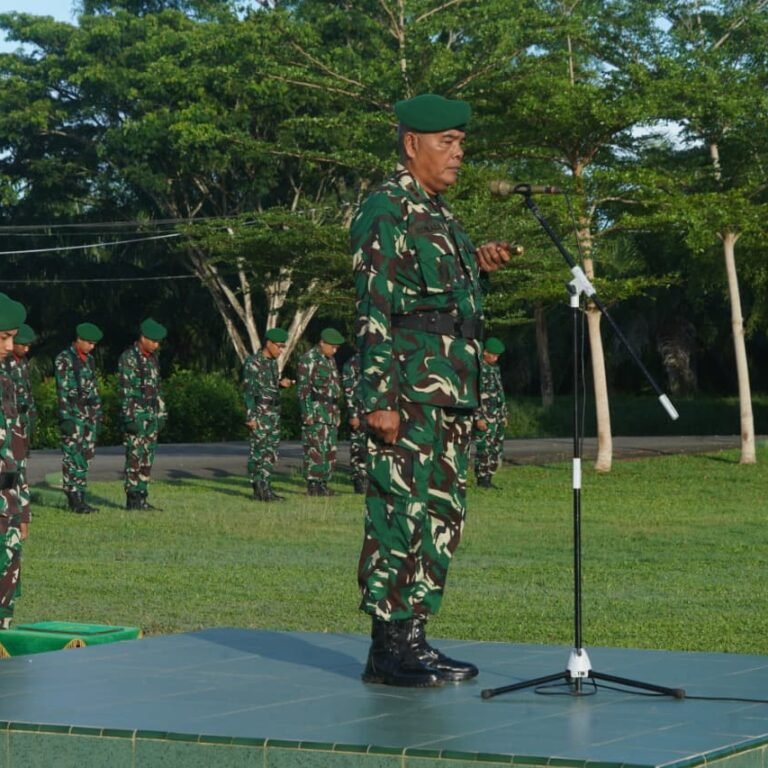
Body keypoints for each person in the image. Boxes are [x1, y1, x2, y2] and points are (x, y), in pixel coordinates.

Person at [352, 93, 512, 687]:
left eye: (462, 143)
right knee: (399, 512)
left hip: (449, 394)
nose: (459, 154)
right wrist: (378, 399)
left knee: (440, 516)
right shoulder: (385, 210)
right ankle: (387, 647)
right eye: (447, 142)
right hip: (408, 395)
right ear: (411, 144)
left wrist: (479, 264)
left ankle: (415, 637)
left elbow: (443, 306)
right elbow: (375, 309)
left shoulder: (443, 218)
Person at [0, 294, 29, 629]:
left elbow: (16, 450)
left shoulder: (6, 380)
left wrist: (22, 509)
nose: (10, 345)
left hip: (6, 505)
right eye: (4, 337)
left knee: (5, 597)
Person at [118, 318, 167, 511]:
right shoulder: (129, 358)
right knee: (134, 456)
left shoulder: (153, 359)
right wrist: (129, 417)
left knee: (148, 456)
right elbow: (125, 391)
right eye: (153, 341)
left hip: (151, 414)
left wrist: (162, 414)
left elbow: (158, 389)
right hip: (136, 414)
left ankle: (143, 494)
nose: (156, 345)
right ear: (143, 338)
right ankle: (132, 497)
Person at [55, 322, 103, 514]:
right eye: (89, 343)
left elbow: (93, 388)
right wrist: (65, 417)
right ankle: (73, 496)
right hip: (73, 414)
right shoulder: (65, 359)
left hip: (88, 415)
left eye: (94, 344)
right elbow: (62, 391)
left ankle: (81, 494)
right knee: (72, 455)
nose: (92, 347)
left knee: (85, 456)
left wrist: (97, 416)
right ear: (79, 340)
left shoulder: (89, 360)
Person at [241, 327, 294, 502]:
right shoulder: (253, 363)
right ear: (268, 343)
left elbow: (266, 388)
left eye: (282, 347)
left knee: (270, 452)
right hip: (260, 413)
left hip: (273, 413)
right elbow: (248, 392)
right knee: (259, 451)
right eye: (279, 346)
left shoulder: (272, 364)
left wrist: (280, 384)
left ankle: (266, 486)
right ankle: (259, 487)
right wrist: (251, 417)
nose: (281, 350)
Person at [296, 328, 343, 496]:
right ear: (322, 343)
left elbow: (334, 390)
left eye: (337, 348)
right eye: (333, 347)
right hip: (316, 411)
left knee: (329, 449)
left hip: (330, 412)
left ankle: (323, 483)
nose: (335, 350)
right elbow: (304, 389)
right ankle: (313, 485)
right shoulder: (309, 359)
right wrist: (307, 413)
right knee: (315, 449)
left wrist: (336, 414)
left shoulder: (330, 361)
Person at [6, 324, 38, 525]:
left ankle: (21, 508)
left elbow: (28, 394)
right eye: (22, 345)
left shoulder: (23, 362)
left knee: (21, 466)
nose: (26, 349)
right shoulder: (5, 363)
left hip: (22, 422)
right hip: (10, 422)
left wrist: (31, 419)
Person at [473, 337, 508, 488]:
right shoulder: (478, 369)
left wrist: (504, 414)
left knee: (496, 447)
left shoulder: (495, 368)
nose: (495, 358)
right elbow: (474, 394)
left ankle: (490, 476)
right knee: (484, 448)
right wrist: (478, 417)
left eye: (497, 356)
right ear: (485, 352)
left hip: (497, 415)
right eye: (493, 355)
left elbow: (500, 392)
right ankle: (482, 479)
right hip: (485, 416)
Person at [342, 352, 367, 494]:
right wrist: (353, 414)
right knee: (359, 448)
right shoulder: (353, 362)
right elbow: (348, 390)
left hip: (376, 411)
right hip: (360, 411)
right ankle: (359, 481)